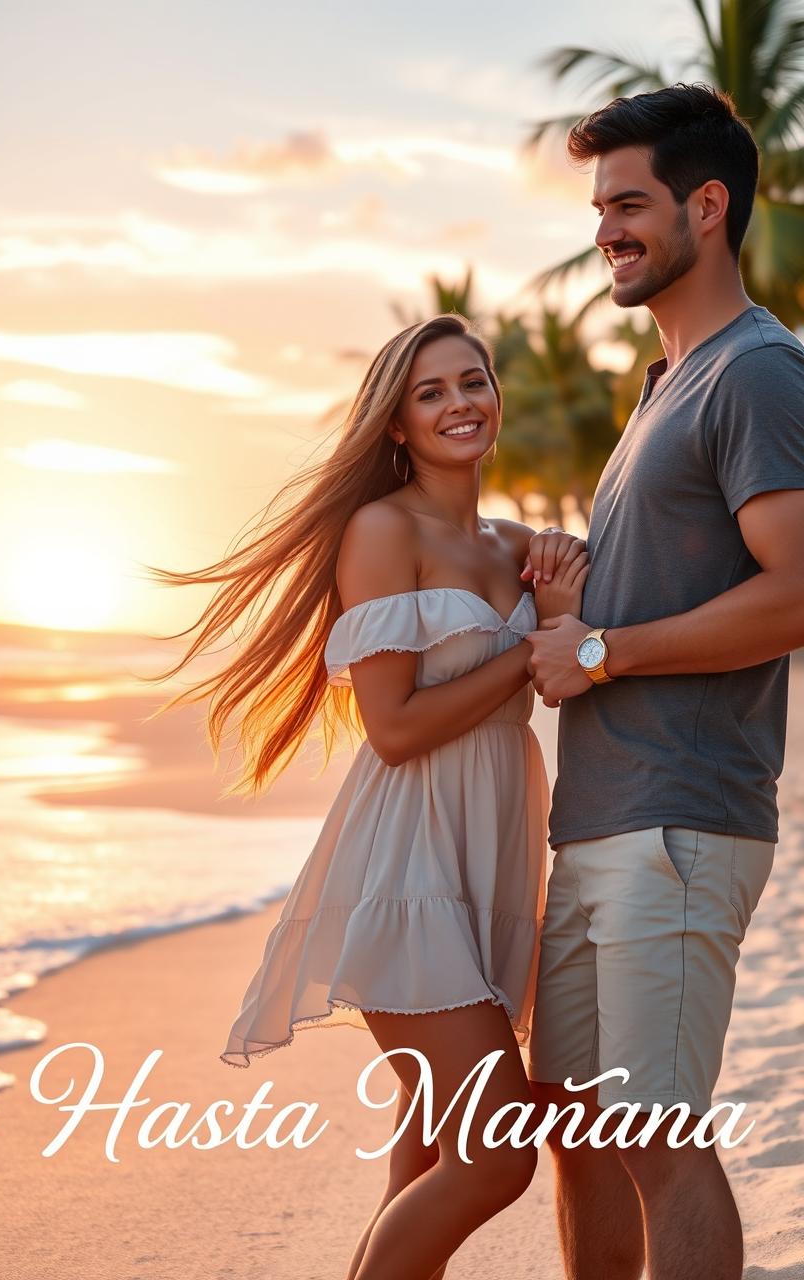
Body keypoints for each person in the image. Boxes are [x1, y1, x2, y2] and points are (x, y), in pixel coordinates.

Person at [145, 312, 588, 1280]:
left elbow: (572, 671)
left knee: (427, 1149)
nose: (458, 403)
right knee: (495, 1153)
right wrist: (529, 644)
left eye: (471, 381)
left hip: (490, 854)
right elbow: (391, 725)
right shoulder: (380, 530)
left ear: (496, 394)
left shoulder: (516, 542)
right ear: (395, 424)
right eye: (429, 392)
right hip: (409, 860)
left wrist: (560, 610)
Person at [526, 84, 804, 1280]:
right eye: (597, 208)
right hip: (598, 817)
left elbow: (797, 592)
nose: (606, 232)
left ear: (707, 204)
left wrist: (602, 650)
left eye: (629, 204)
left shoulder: (757, 371)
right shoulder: (661, 387)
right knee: (580, 1136)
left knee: (655, 1136)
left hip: (679, 819)